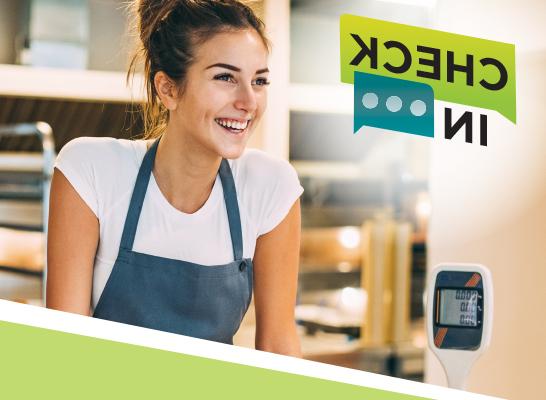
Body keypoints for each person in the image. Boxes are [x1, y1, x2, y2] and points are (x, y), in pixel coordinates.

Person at [46, 0, 303, 357]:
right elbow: (64, 353)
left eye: (259, 81)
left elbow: (278, 348)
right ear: (168, 89)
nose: (248, 101)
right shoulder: (91, 171)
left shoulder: (271, 187)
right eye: (225, 77)